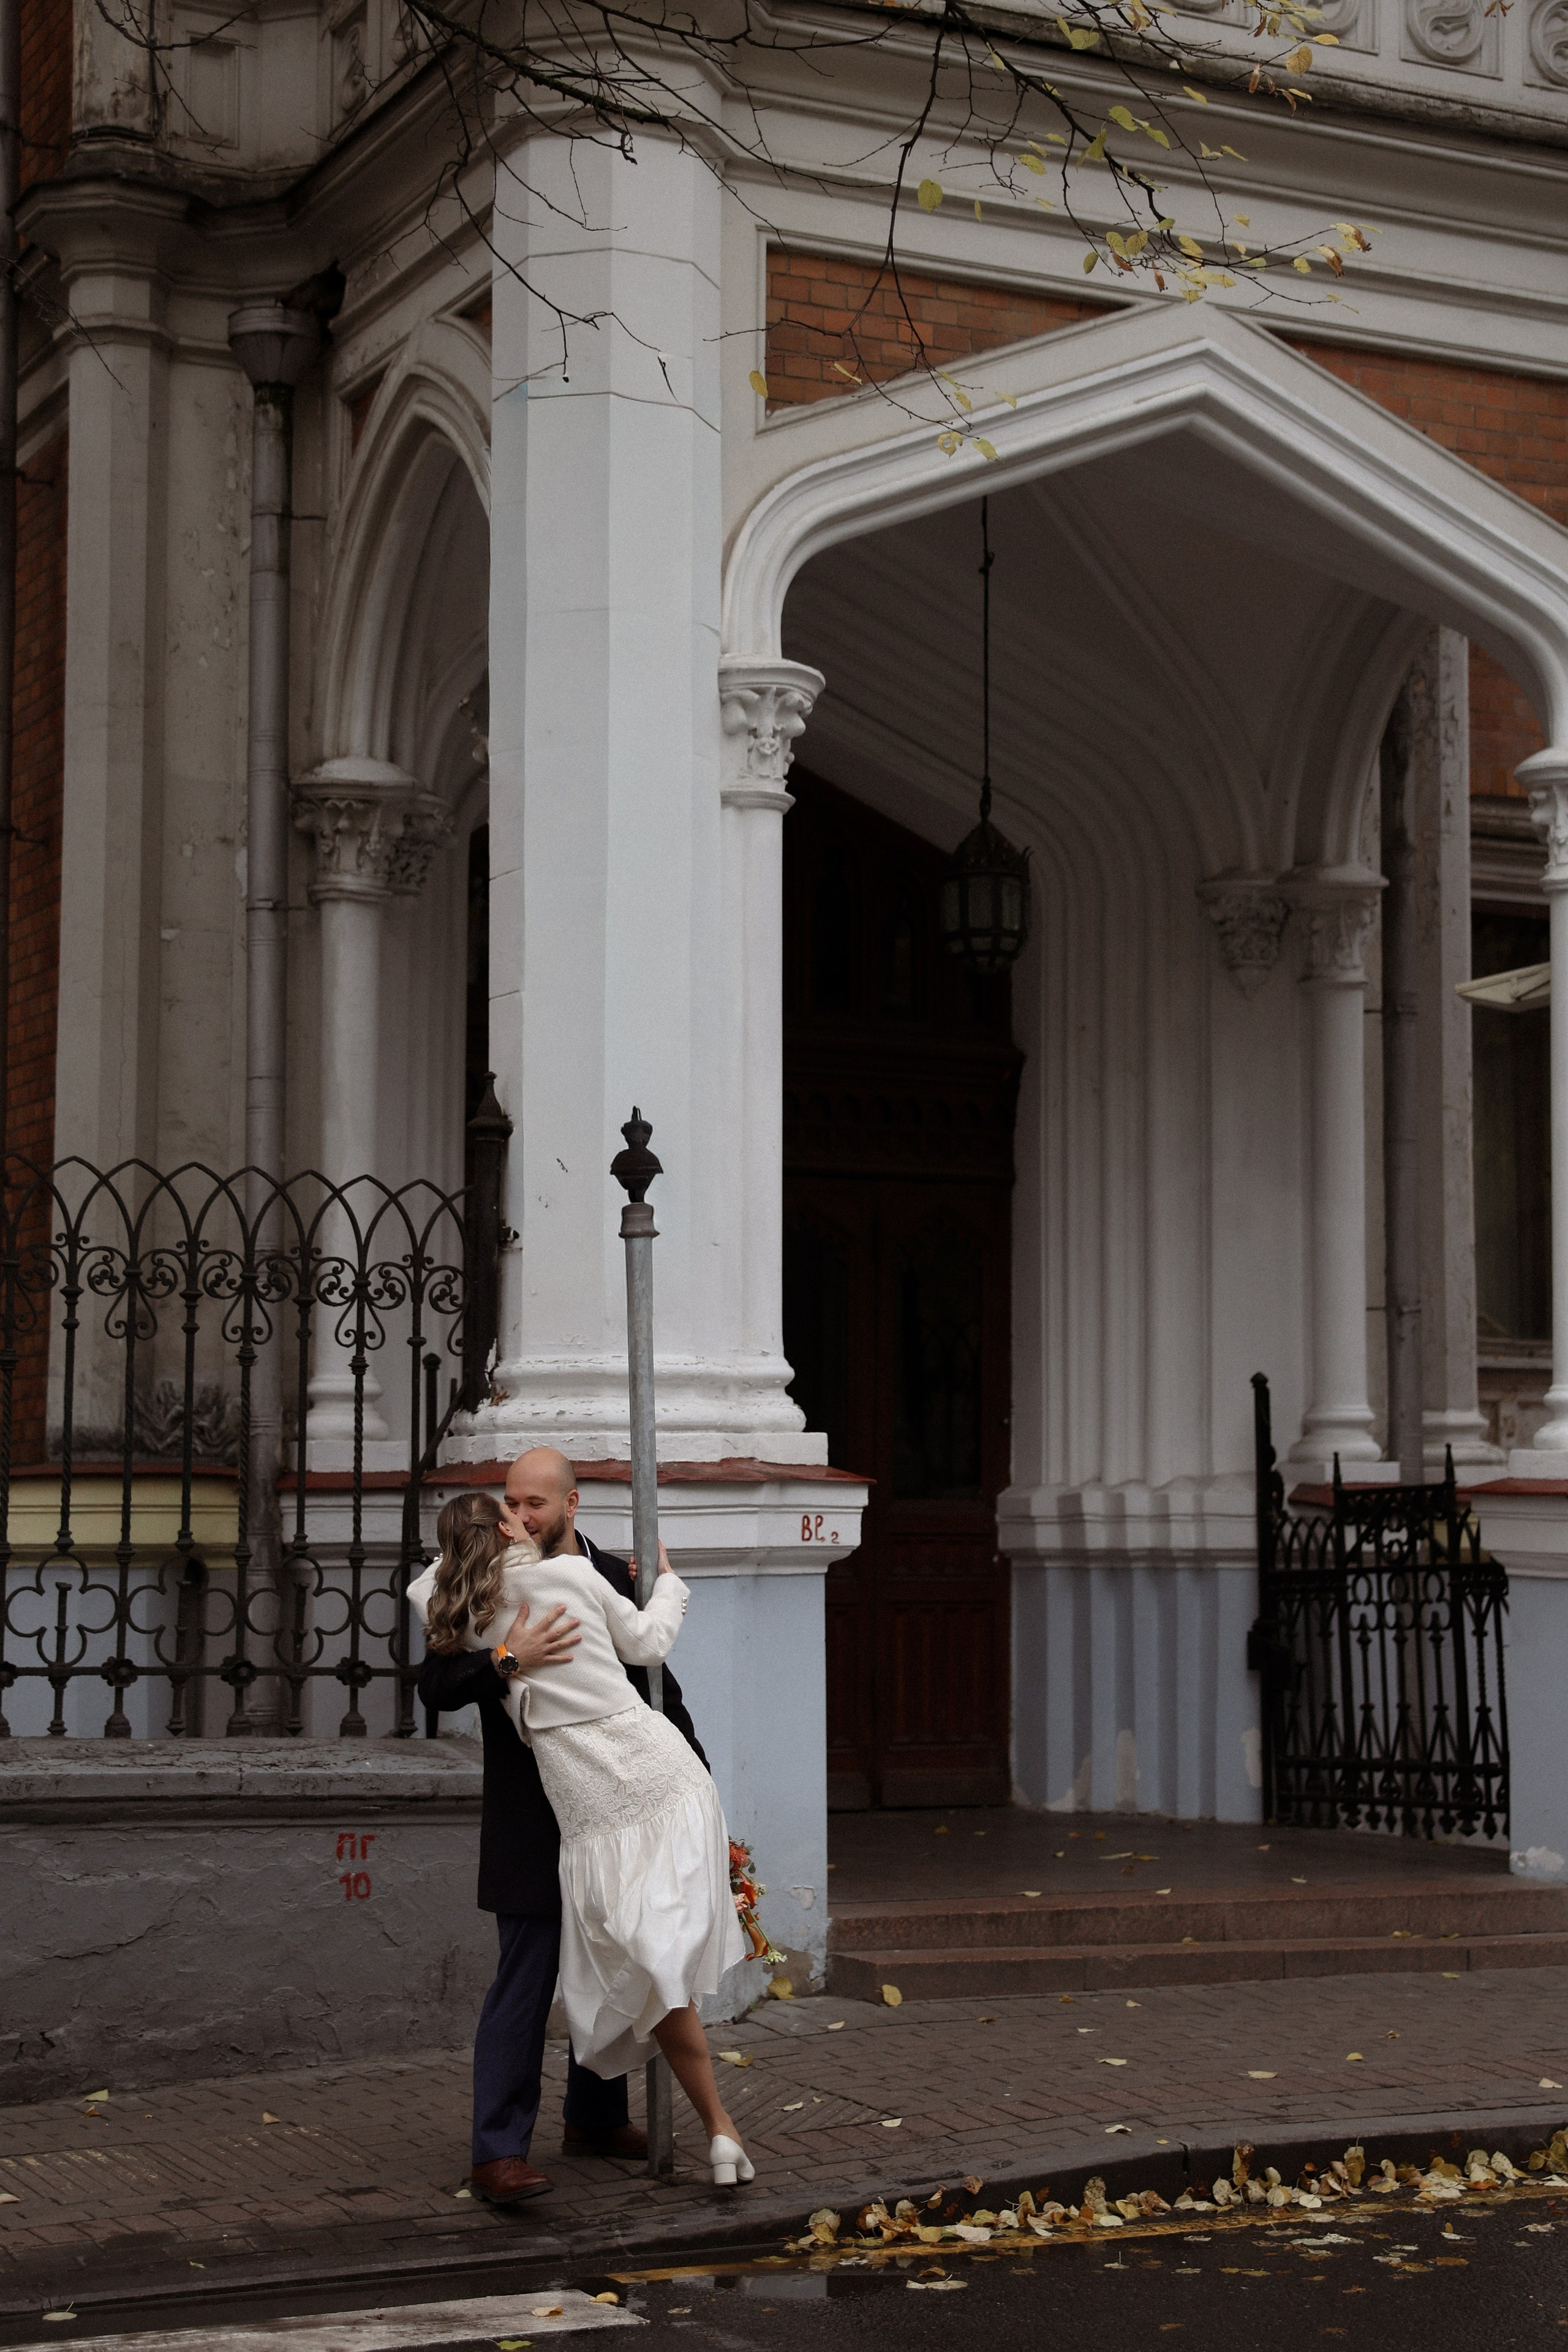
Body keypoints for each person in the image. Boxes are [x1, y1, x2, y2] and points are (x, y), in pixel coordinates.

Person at [414, 1448, 750, 2201]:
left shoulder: (611, 1575)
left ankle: (595, 2119)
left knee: (625, 1959)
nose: (520, 1516)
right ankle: (497, 2151)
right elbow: (433, 1683)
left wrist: (694, 1809)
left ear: (572, 1505)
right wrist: (504, 1657)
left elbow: (660, 1688)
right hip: (534, 1817)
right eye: (512, 1502)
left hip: (630, 1802)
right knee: (525, 1982)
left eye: (535, 1503)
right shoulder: (476, 1577)